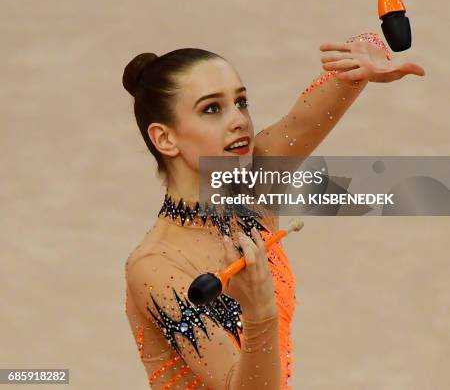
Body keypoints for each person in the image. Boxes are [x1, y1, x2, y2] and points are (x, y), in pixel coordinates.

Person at [123, 35, 425, 389]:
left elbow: (321, 100)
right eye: (211, 109)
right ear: (165, 139)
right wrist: (260, 311)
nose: (239, 120)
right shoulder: (156, 266)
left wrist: (366, 53)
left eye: (241, 101)